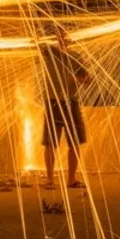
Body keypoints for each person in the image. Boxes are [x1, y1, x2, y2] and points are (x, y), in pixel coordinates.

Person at [37, 21, 89, 187]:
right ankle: (50, 179)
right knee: (51, 142)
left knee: (74, 142)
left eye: (64, 34)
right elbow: (36, 41)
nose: (61, 37)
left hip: (70, 102)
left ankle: (71, 179)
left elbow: (87, 79)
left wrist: (78, 79)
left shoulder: (76, 57)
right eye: (58, 34)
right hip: (52, 101)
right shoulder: (49, 52)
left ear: (68, 38)